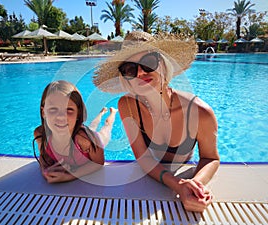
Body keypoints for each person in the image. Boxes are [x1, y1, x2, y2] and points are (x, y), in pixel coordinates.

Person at [93, 31, 220, 212]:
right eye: (130, 69)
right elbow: (143, 158)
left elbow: (210, 158)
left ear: (163, 64)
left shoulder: (199, 112)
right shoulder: (128, 106)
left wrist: (195, 185)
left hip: (185, 165)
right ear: (125, 76)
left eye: (148, 62)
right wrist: (178, 186)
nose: (140, 73)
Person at [33, 80, 117, 183]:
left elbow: (98, 163)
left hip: (96, 140)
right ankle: (101, 113)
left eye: (69, 109)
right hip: (80, 131)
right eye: (53, 109)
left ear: (78, 113)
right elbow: (43, 157)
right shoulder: (41, 134)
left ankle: (113, 113)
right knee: (92, 126)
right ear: (43, 112)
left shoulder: (85, 140)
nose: (61, 116)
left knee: (106, 127)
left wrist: (69, 175)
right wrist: (45, 170)